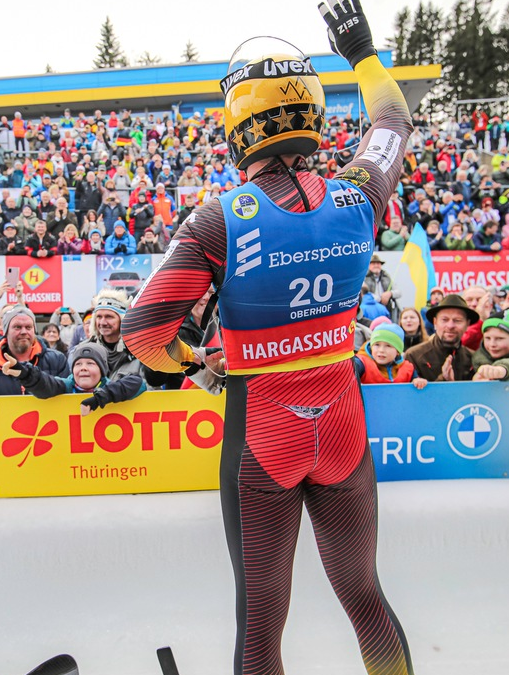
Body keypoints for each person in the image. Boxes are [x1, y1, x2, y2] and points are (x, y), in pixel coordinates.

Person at [122, 3, 416, 672]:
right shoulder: (361, 193)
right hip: (341, 423)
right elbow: (394, 120)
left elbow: (144, 336)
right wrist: (361, 50)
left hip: (263, 432)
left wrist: (199, 360)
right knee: (365, 595)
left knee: (260, 623)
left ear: (236, 135)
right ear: (313, 124)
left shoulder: (219, 218)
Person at [2, 342, 147, 414]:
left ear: (102, 370)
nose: (83, 367)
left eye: (90, 363)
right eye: (78, 364)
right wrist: (26, 373)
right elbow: (46, 384)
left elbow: (138, 383)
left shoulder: (110, 387)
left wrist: (101, 398)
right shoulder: (66, 385)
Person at [0, 305, 69, 395]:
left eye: (28, 327)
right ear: (6, 332)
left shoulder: (57, 360)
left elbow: (66, 396)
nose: (24, 332)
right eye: (17, 327)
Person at [353, 323, 428, 387]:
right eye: (377, 345)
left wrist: (418, 381)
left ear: (398, 351)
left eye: (388, 346)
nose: (381, 350)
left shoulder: (407, 369)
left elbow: (416, 381)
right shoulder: (362, 363)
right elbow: (351, 368)